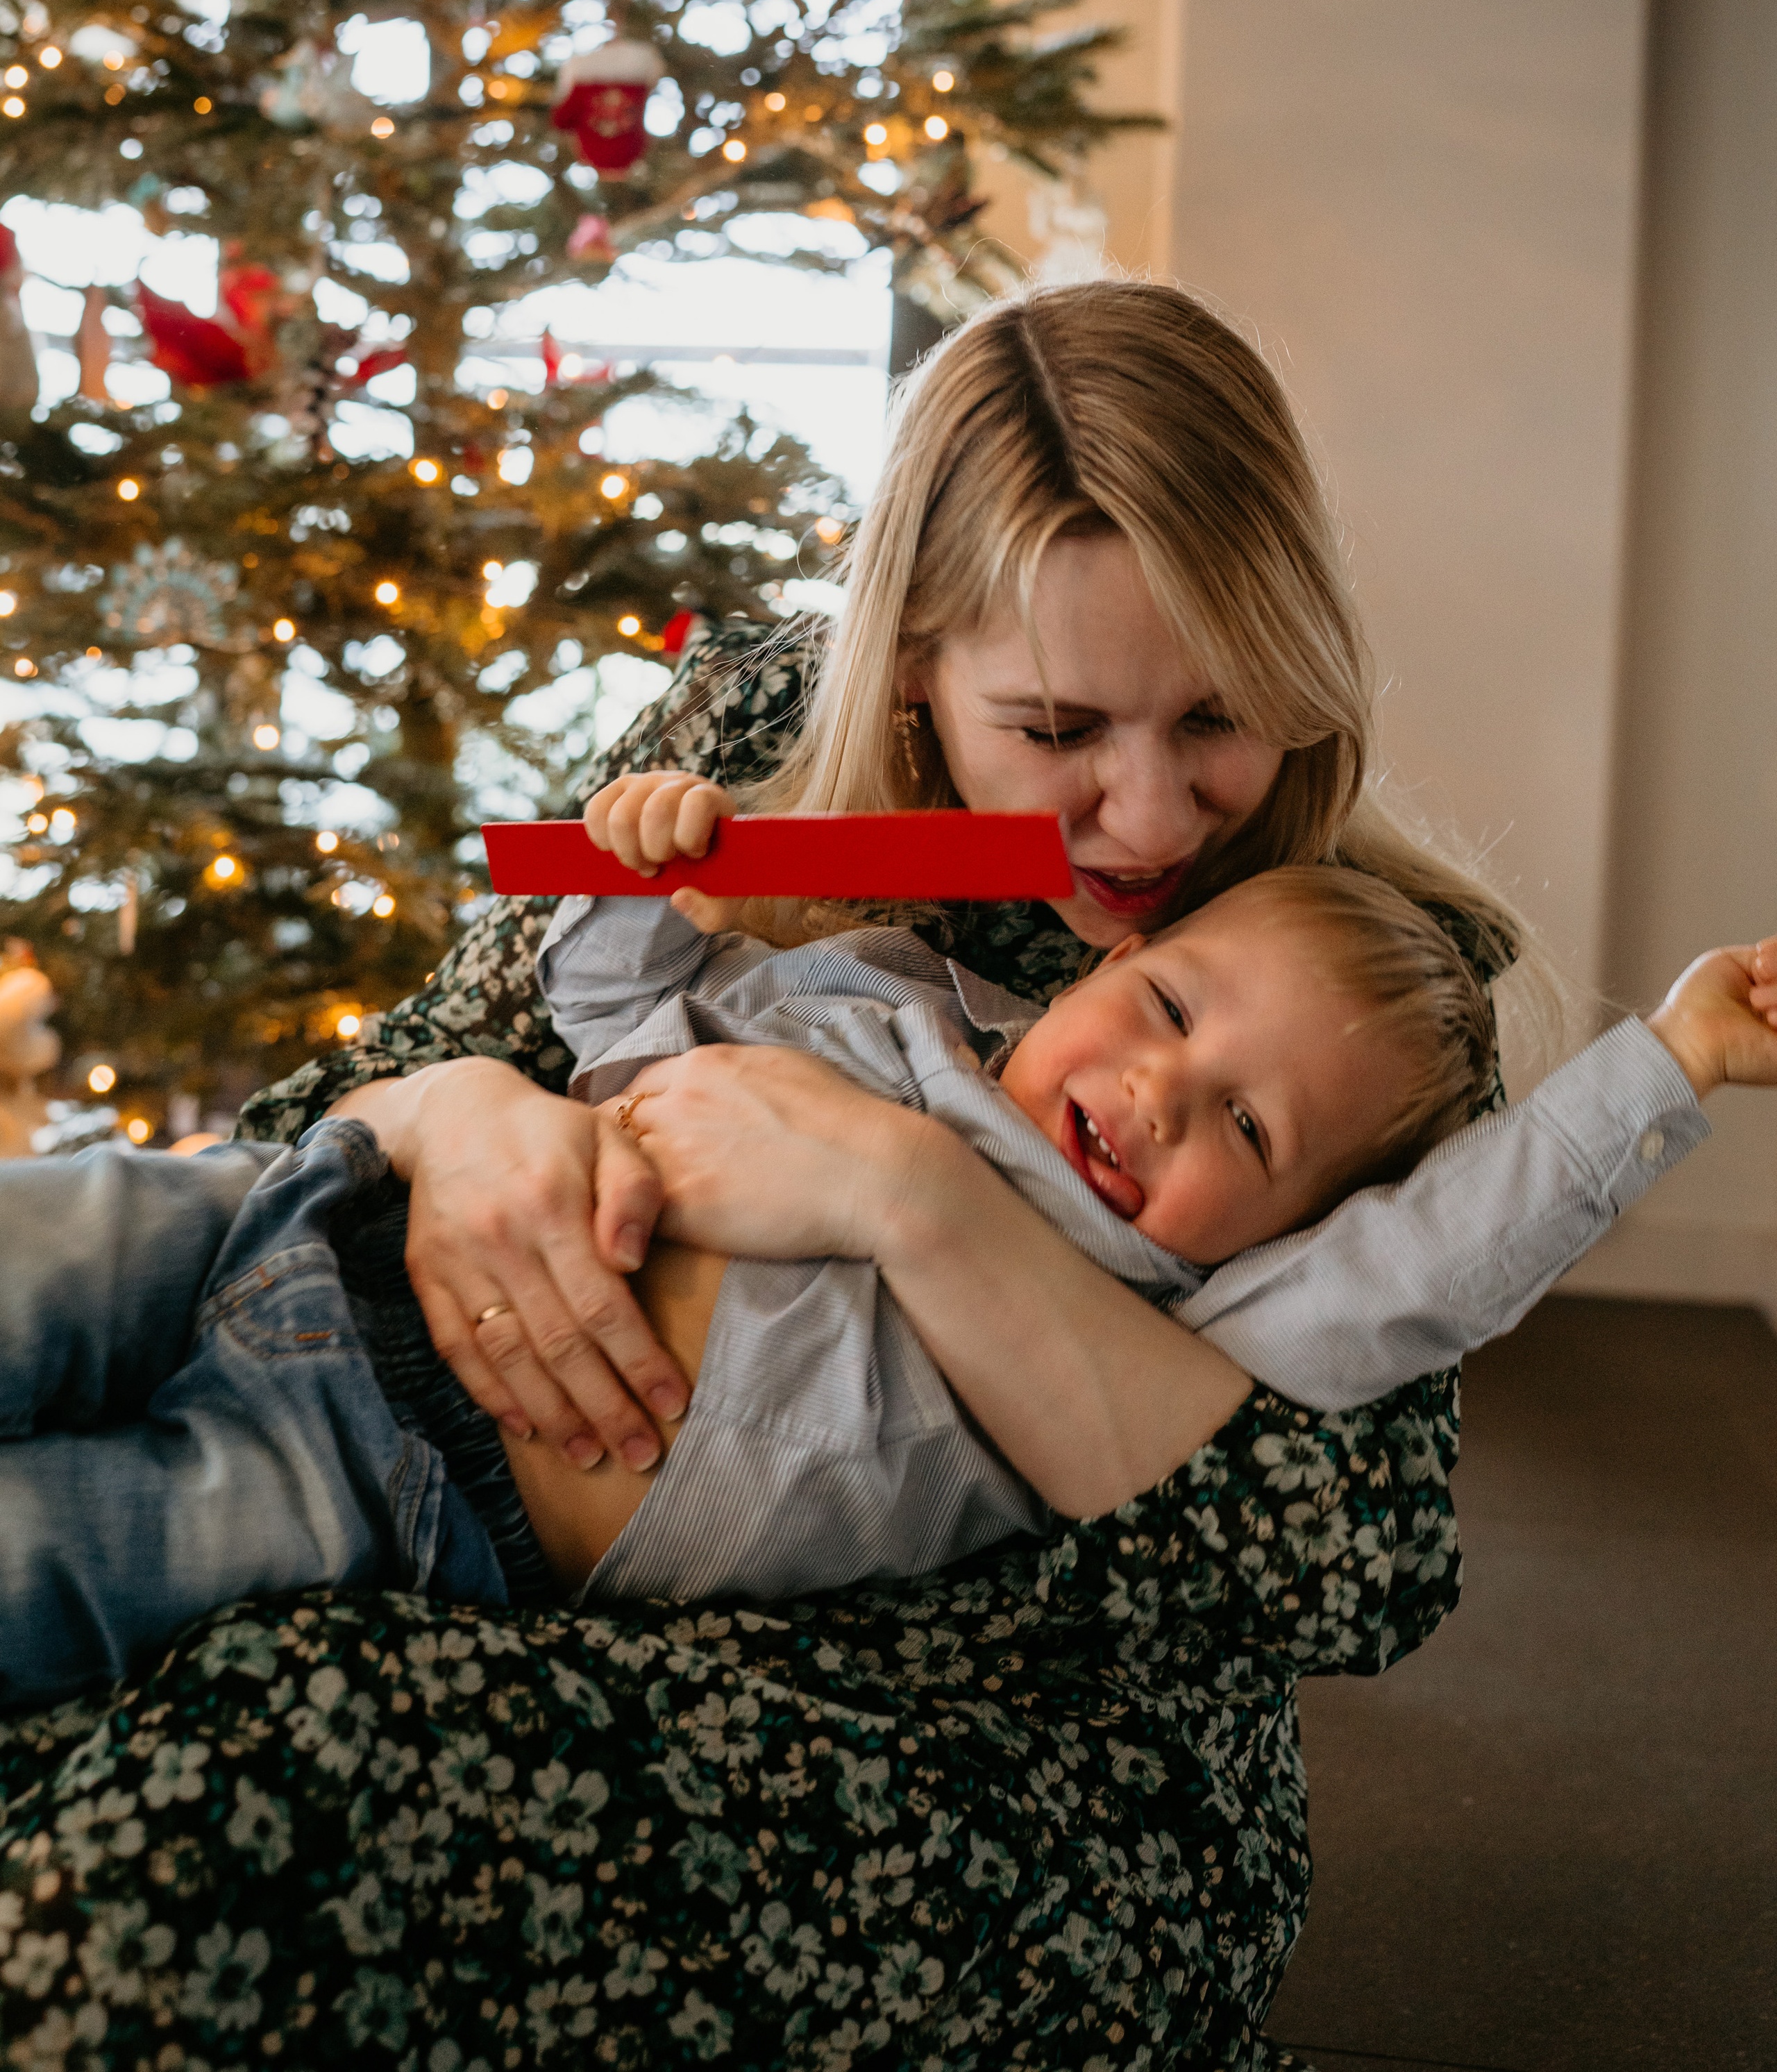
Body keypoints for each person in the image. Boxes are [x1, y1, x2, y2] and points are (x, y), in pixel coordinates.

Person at [0, 279, 1720, 2067]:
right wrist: (454, 1106)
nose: (1143, 820)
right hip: (428, 1410)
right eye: (1056, 734)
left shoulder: (1348, 972)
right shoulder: (759, 731)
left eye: (1219, 716)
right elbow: (386, 1073)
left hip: (997, 1728)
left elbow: (1337, 1566)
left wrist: (913, 1194)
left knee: (240, 1759)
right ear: (911, 665)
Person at [12, 866, 1761, 1708]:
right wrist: (648, 865)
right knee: (40, 1248)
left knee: (58, 1562)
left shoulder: (1165, 1311)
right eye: (1166, 1014)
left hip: (401, 1496)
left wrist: (1666, 1060)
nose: (1159, 1091)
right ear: (1118, 956)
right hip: (313, 1213)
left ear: (1287, 1237)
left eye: (1243, 1122)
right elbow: (615, 1005)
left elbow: (1445, 1255)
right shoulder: (880, 997)